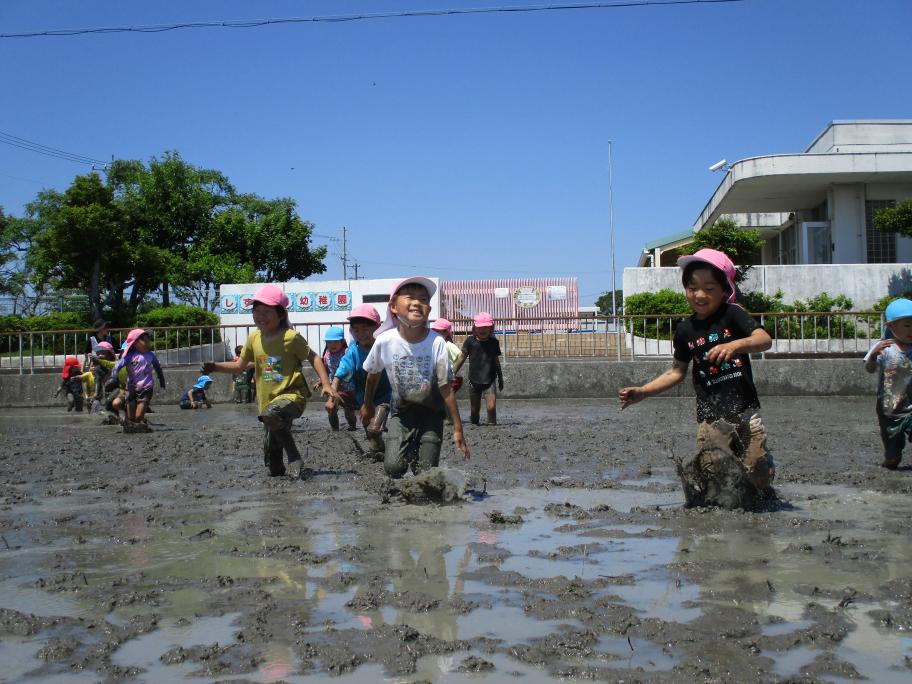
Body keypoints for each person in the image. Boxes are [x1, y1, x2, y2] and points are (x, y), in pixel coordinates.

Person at [618, 248, 775, 493]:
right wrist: (643, 391)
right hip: (710, 416)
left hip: (746, 411)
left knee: (758, 471)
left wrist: (735, 345)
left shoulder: (733, 314)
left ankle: (761, 482)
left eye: (709, 288)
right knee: (713, 468)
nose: (700, 295)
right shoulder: (685, 330)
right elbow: (676, 372)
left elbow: (764, 339)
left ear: (725, 290)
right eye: (692, 288)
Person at [202, 284, 338, 478]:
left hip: (292, 397)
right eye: (257, 311)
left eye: (267, 311)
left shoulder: (290, 337)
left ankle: (294, 457)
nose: (261, 316)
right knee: (273, 467)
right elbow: (239, 366)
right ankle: (283, 468)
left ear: (280, 314)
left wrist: (326, 384)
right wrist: (215, 366)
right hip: (267, 404)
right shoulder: (253, 339)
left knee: (271, 413)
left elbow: (314, 357)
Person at [361, 276, 469, 478]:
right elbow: (372, 376)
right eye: (410, 297)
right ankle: (407, 450)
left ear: (429, 309)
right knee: (393, 468)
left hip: (431, 413)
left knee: (425, 473)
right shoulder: (385, 341)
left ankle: (420, 451)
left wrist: (458, 428)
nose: (417, 302)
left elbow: (446, 388)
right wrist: (367, 405)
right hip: (401, 413)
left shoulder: (436, 342)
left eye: (423, 299)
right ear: (393, 306)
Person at [332, 304, 393, 459]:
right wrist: (333, 389)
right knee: (369, 430)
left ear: (377, 327)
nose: (361, 334)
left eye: (366, 329)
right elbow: (342, 369)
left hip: (384, 396)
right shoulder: (353, 350)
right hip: (363, 398)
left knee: (374, 427)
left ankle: (385, 447)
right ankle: (379, 451)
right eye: (356, 330)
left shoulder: (385, 346)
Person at [864, 298, 912, 469]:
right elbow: (869, 368)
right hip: (890, 409)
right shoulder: (884, 348)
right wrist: (873, 356)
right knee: (893, 456)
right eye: (907, 325)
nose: (911, 330)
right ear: (891, 326)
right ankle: (890, 459)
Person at [453, 312, 503, 425]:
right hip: (474, 381)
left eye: (485, 327)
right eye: (480, 327)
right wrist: (452, 372)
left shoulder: (494, 342)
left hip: (489, 380)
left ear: (491, 328)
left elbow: (496, 361)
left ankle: (492, 425)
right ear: (474, 328)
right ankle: (474, 424)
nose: (482, 330)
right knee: (474, 410)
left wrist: (500, 377)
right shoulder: (470, 341)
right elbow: (461, 358)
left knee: (491, 407)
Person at [113, 328, 166, 433]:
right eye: (144, 340)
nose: (147, 343)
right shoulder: (129, 356)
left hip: (146, 387)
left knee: (138, 417)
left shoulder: (150, 355)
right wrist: (113, 377)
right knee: (131, 418)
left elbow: (157, 367)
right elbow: (117, 366)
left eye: (148, 340)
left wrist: (161, 378)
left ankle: (139, 423)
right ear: (135, 342)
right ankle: (133, 426)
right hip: (131, 388)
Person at [320, 326, 357, 431]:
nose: (332, 345)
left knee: (348, 409)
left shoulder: (347, 353)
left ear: (342, 341)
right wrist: (321, 381)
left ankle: (352, 426)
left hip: (348, 388)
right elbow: (326, 370)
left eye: (335, 342)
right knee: (331, 407)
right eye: (329, 342)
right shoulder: (326, 355)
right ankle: (335, 429)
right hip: (333, 388)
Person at [430, 318, 464, 394]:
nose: (435, 333)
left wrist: (453, 370)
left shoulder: (447, 344)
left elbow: (460, 355)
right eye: (434, 331)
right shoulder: (437, 344)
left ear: (446, 332)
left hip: (447, 378)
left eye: (438, 331)